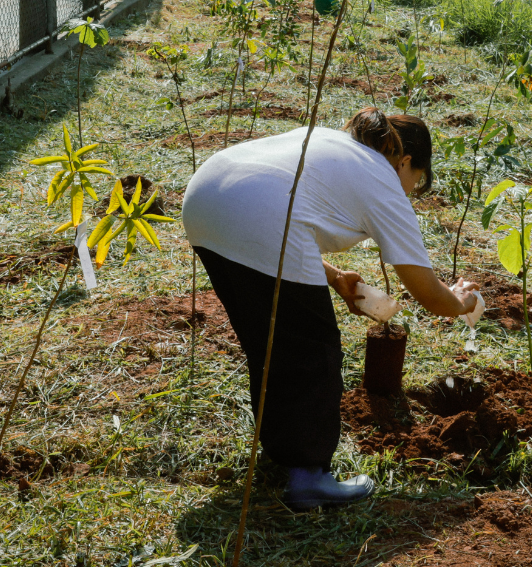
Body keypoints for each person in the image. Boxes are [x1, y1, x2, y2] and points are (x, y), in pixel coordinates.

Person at [182, 108, 481, 510]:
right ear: (406, 162)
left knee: (269, 343)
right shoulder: (381, 177)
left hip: (204, 201)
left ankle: (282, 457)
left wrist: (335, 276)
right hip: (255, 217)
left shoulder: (335, 143)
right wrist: (460, 300)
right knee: (313, 351)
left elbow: (279, 204)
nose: (410, 190)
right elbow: (427, 291)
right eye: (417, 181)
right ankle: (308, 478)